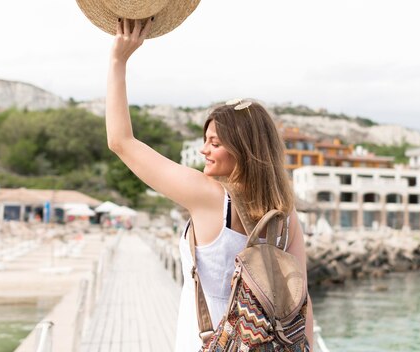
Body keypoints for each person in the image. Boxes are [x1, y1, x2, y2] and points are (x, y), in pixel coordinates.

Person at [106, 18, 314, 350]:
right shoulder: (284, 216)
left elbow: (121, 142)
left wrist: (118, 61)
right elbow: (301, 302)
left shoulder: (210, 198)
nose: (204, 150)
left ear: (243, 149)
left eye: (214, 143)